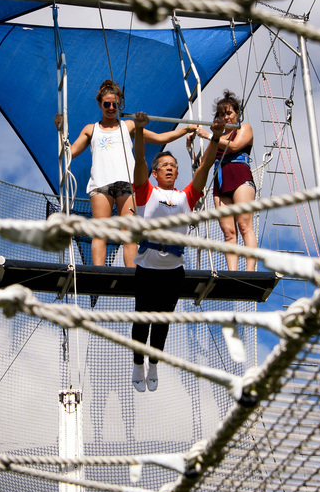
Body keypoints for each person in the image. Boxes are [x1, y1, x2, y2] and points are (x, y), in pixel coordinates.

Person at [54, 79, 196, 267]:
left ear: (120, 104)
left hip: (126, 182)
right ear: (100, 105)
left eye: (115, 104)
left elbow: (160, 137)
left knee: (128, 233)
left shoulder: (128, 126)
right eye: (107, 104)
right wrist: (61, 131)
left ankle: (131, 275)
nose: (111, 107)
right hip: (101, 184)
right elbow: (69, 153)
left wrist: (186, 128)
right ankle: (98, 273)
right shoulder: (91, 129)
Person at [131, 110, 225, 392]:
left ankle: (154, 363)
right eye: (164, 165)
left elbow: (204, 169)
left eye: (174, 165)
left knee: (163, 319)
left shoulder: (185, 197)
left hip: (173, 269)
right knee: (142, 316)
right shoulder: (146, 193)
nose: (170, 168)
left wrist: (216, 137)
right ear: (156, 172)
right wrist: (138, 131)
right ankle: (138, 363)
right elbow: (139, 160)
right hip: (147, 265)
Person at [188, 89, 258, 272]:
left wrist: (210, 135)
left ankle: (250, 271)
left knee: (244, 225)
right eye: (222, 114)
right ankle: (232, 272)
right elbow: (203, 163)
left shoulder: (244, 129)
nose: (226, 117)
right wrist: (190, 147)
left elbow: (234, 146)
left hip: (240, 178)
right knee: (228, 232)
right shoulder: (216, 139)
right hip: (221, 184)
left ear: (237, 114)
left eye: (229, 113)